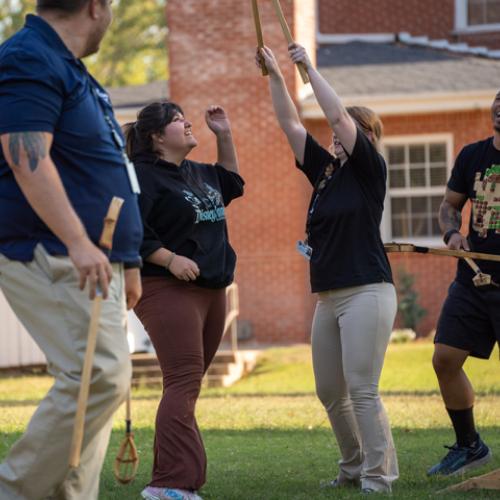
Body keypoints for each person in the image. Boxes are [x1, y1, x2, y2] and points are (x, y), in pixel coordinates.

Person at [0, 1, 143, 498]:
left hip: (100, 260)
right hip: (51, 251)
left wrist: (131, 259)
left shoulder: (70, 67)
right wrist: (78, 241)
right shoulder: (29, 57)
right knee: (102, 376)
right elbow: (26, 156)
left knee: (93, 390)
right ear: (95, 7)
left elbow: (106, 169)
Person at [256, 45, 398, 494]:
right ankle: (353, 467)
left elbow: (337, 118)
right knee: (329, 391)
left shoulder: (369, 171)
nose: (341, 135)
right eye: (343, 131)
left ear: (368, 137)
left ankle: (379, 477)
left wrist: (307, 69)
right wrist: (277, 75)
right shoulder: (326, 175)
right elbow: (290, 124)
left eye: (355, 130)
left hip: (367, 291)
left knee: (362, 389)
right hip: (329, 296)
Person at [124, 101, 244, 500]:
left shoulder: (196, 173)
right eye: (177, 120)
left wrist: (223, 134)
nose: (188, 122)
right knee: (183, 381)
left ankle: (173, 479)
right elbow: (129, 232)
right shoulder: (141, 177)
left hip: (212, 289)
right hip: (166, 288)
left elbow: (231, 182)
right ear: (157, 137)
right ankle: (170, 484)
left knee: (186, 386)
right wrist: (169, 258)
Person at [427, 91, 500, 477]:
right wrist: (453, 234)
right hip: (474, 278)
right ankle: (470, 446)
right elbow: (449, 206)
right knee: (445, 359)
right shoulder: (473, 156)